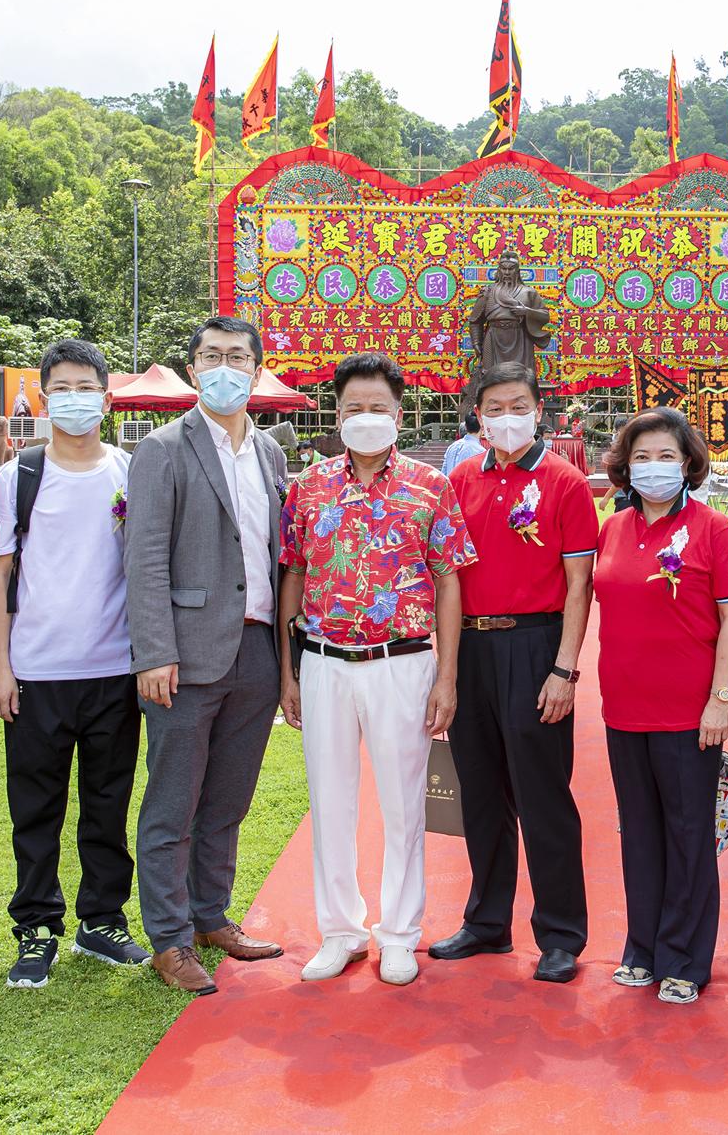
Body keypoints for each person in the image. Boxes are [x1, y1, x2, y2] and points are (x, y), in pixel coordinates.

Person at [278, 352, 475, 987]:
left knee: (403, 804)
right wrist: (288, 672)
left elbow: (449, 579)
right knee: (329, 800)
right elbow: (293, 574)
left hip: (403, 663)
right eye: (354, 407)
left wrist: (446, 676)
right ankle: (340, 930)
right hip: (325, 662)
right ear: (337, 414)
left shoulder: (429, 485)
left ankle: (399, 934)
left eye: (378, 407)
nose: (366, 417)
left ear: (399, 412)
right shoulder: (309, 486)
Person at [124, 317, 290, 995]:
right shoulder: (162, 448)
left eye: (238, 357)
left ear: (256, 370)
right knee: (173, 803)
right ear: (193, 369)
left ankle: (210, 916)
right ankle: (168, 939)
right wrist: (154, 652)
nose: (225, 368)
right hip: (184, 655)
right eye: (212, 356)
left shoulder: (271, 452)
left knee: (228, 798)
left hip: (256, 647)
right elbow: (144, 558)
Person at [0, 339, 147, 989]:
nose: (74, 399)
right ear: (45, 400)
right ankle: (36, 927)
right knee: (35, 809)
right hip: (35, 675)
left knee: (108, 804)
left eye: (87, 388)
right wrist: (0, 665)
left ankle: (102, 920)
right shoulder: (17, 476)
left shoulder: (130, 471)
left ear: (106, 400)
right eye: (62, 389)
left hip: (113, 671)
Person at [433, 362, 598, 982]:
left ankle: (560, 933)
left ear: (538, 410)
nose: (508, 418)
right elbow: (446, 576)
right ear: (478, 415)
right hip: (471, 646)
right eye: (495, 408)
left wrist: (565, 669)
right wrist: (446, 669)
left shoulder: (565, 482)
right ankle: (486, 922)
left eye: (519, 406)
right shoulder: (459, 481)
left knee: (543, 794)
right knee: (480, 792)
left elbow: (579, 585)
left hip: (536, 646)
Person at [594, 407, 728, 1004]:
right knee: (638, 832)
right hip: (623, 705)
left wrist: (720, 699)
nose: (653, 466)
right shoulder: (613, 528)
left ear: (687, 463)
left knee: (688, 835)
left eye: (666, 455)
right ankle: (642, 948)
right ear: (625, 466)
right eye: (642, 457)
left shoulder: (714, 529)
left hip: (689, 712)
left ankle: (685, 957)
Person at [441, 410, 486, 477]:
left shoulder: (452, 447)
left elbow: (443, 475)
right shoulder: (481, 452)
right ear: (482, 426)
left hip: (450, 483)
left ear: (465, 426)